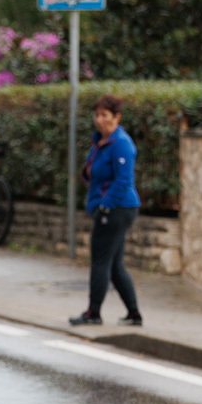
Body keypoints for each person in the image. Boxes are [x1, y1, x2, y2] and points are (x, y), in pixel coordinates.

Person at [69, 94, 143, 327]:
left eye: (105, 115)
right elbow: (94, 172)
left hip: (117, 209)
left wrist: (105, 206)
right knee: (114, 265)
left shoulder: (121, 143)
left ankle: (93, 313)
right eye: (97, 115)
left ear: (117, 117)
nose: (100, 120)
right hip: (112, 208)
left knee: (100, 261)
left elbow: (123, 181)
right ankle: (133, 314)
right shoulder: (101, 142)